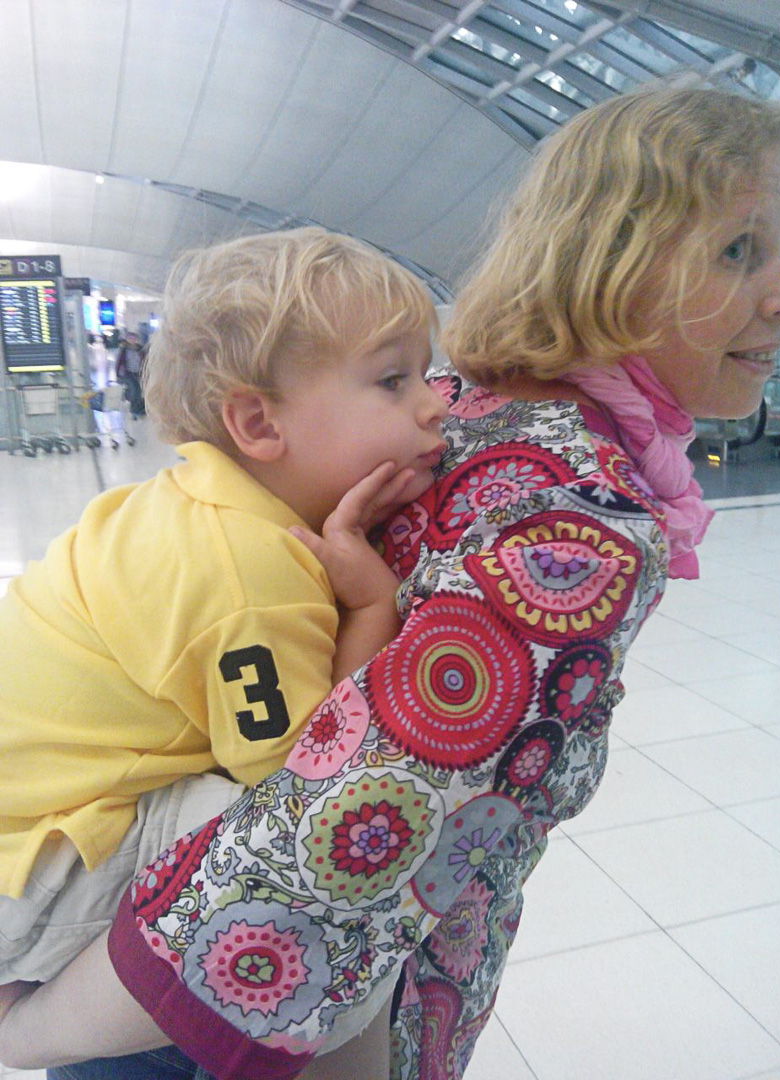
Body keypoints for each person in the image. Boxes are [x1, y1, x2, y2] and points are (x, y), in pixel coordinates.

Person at [3, 83, 780, 1080]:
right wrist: (29, 1034)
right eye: (738, 250)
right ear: (616, 262)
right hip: (187, 1017)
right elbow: (312, 856)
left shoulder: (462, 411)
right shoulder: (580, 524)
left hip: (120, 951)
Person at [0, 228, 448, 1078]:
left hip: (31, 831)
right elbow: (303, 785)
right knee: (322, 886)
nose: (434, 405)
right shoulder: (248, 569)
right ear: (257, 422)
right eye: (394, 380)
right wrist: (371, 604)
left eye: (427, 373)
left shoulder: (182, 503)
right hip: (36, 871)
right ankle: (29, 1028)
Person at [116, 330, 146, 416]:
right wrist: (117, 374)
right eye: (130, 338)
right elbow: (119, 362)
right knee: (134, 390)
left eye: (133, 338)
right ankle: (134, 409)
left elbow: (144, 360)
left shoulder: (140, 349)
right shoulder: (124, 349)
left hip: (138, 373)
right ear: (127, 339)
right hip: (128, 373)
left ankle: (139, 408)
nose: (132, 340)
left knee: (139, 390)